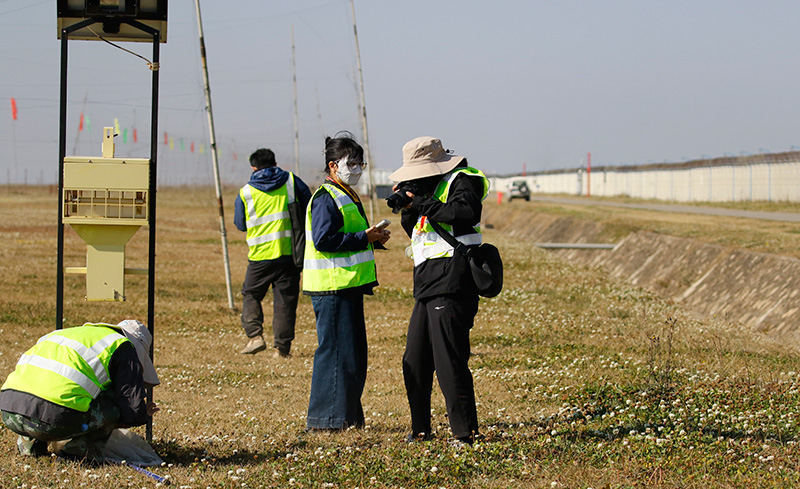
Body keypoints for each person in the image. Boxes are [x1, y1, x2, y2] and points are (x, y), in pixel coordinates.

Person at [389, 136, 489, 446]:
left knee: (449, 358)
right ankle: (420, 429)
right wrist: (408, 204)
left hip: (454, 279)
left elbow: (464, 213)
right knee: (414, 359)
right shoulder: (427, 190)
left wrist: (419, 201)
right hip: (427, 282)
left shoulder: (464, 179)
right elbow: (415, 230)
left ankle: (465, 432)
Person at [304, 132, 390, 430]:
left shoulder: (346, 194)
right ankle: (327, 421)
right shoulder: (325, 198)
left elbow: (349, 236)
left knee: (352, 356)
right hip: (332, 287)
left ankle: (348, 418)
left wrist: (372, 238)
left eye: (360, 163)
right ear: (332, 165)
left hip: (347, 286)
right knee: (337, 355)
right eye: (350, 163)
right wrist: (362, 237)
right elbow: (325, 239)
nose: (356, 168)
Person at [0, 320, 160, 458]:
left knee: (42, 391)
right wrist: (141, 414)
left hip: (10, 411)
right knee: (112, 404)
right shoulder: (123, 346)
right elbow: (129, 408)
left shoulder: (64, 334)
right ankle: (77, 453)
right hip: (54, 421)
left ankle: (30, 448)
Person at [234, 148, 311, 357]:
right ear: (275, 163)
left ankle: (255, 336)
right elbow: (309, 206)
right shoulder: (292, 182)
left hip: (260, 256)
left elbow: (240, 224)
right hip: (290, 254)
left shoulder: (246, 191)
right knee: (285, 302)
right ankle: (282, 349)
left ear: (253, 167)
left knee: (251, 294)